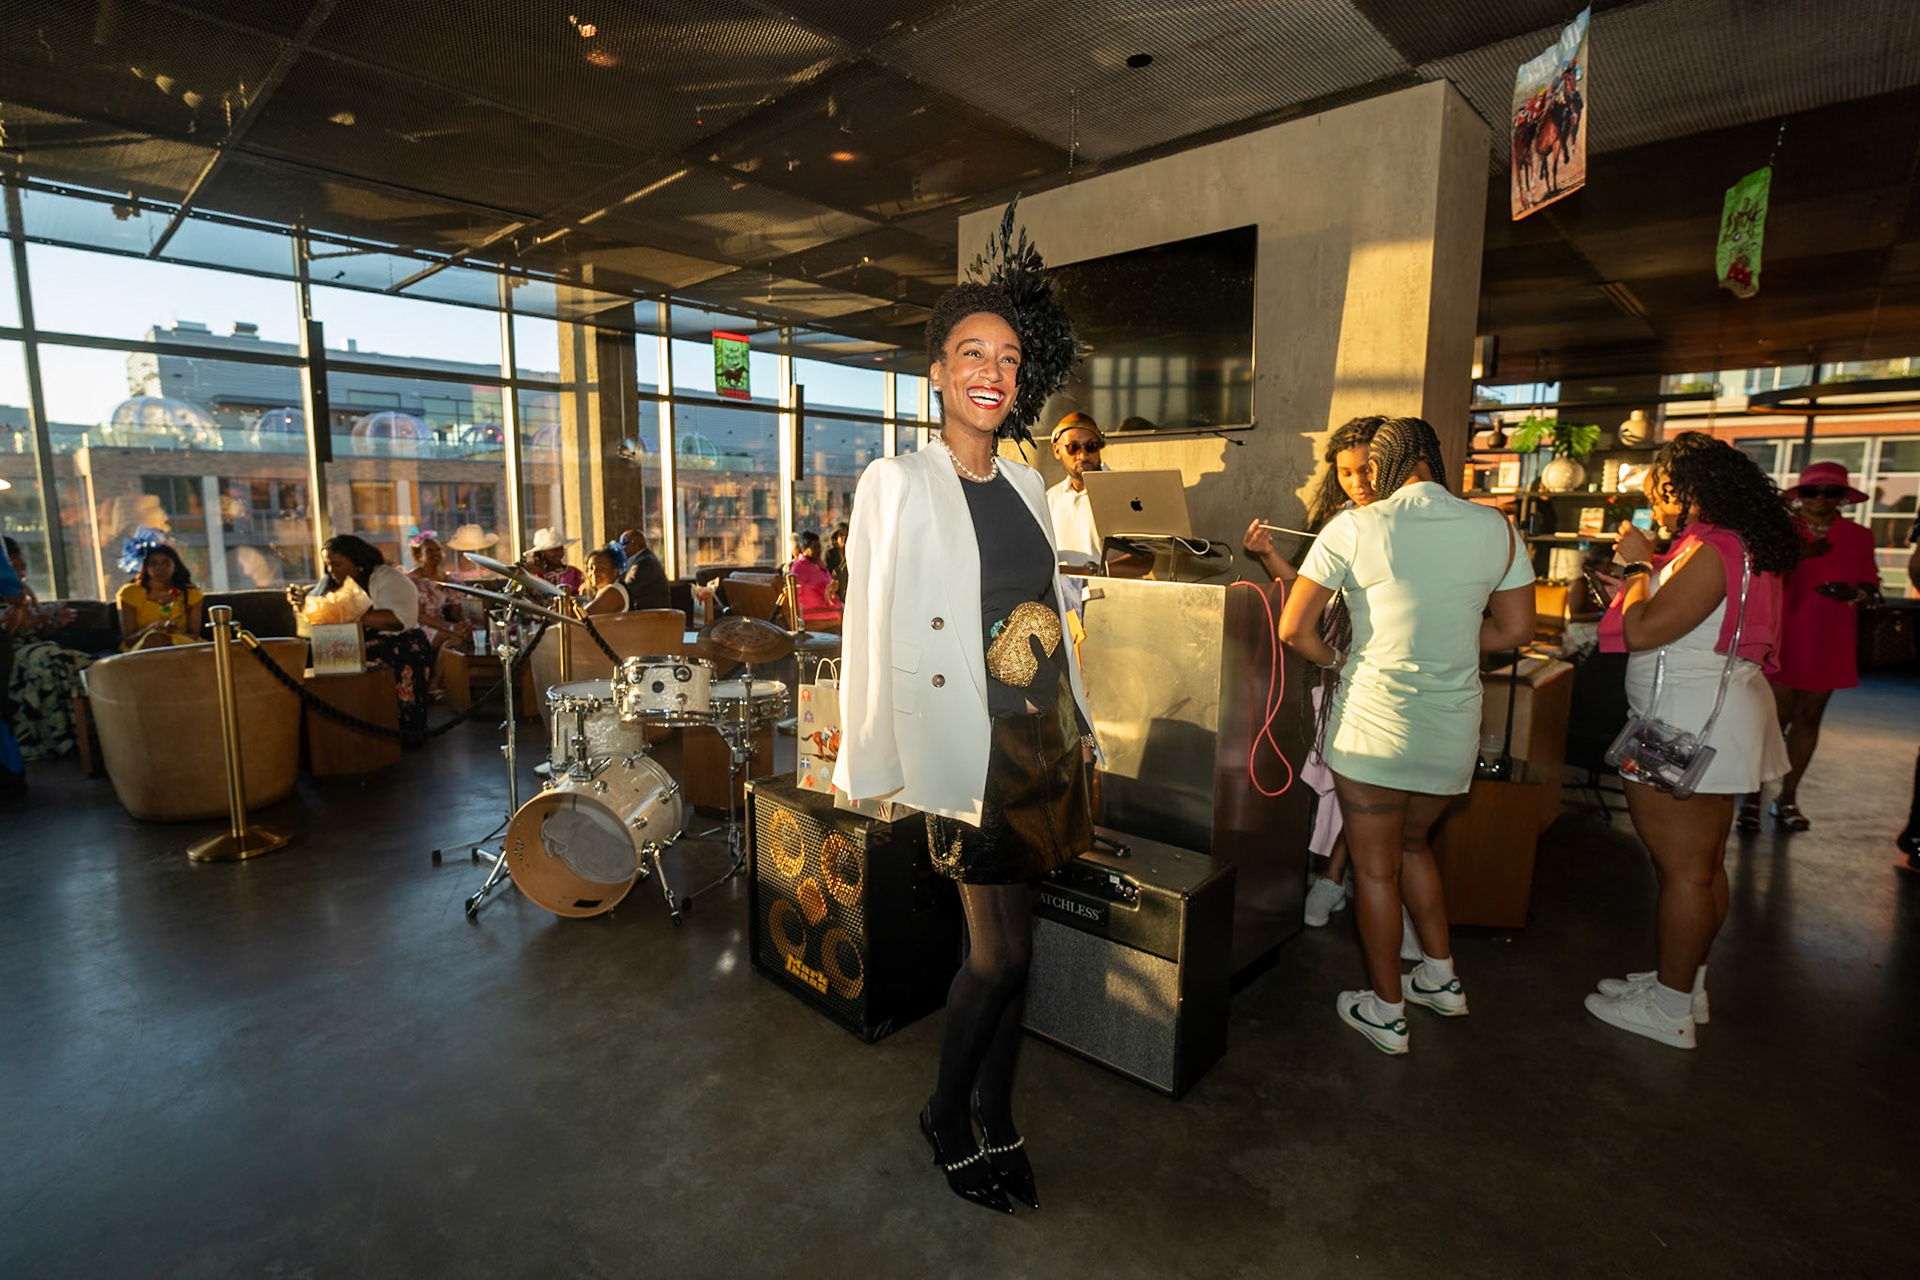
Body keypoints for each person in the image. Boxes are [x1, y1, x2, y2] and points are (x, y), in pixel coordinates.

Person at [836, 270, 1097, 1215]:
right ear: (939, 373)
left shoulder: (1027, 481)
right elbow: (868, 623)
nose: (994, 371)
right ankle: (946, 1114)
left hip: (1042, 741)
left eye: (1009, 358)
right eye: (973, 354)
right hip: (966, 748)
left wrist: (1080, 719)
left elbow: (1048, 608)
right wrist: (869, 758)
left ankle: (998, 1111)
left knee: (1020, 951)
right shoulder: (898, 481)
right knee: (997, 957)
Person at [1277, 416, 1536, 1055]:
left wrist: (1341, 660)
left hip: (1374, 728)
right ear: (1433, 459)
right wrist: (1447, 645)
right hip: (1452, 731)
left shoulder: (1355, 526)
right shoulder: (1497, 528)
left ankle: (1387, 1012)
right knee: (1416, 847)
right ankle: (1442, 980)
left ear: (1385, 465)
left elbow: (1294, 629)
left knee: (1374, 871)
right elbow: (1514, 630)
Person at [1586, 432, 1798, 1050]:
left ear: (1688, 489)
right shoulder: (1732, 543)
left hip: (1683, 723)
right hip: (1709, 715)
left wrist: (1635, 566)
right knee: (1699, 867)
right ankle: (1684, 984)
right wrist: (1640, 582)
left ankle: (1670, 1009)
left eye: (1661, 492)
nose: (1657, 504)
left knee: (1682, 871)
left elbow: (1646, 630)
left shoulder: (1713, 548)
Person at [1243, 414, 1384, 928]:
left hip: (1386, 666)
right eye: (1345, 473)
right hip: (1336, 663)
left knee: (1365, 783)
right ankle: (1332, 879)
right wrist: (1267, 554)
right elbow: (1307, 594)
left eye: (1366, 470)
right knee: (1337, 778)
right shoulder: (1338, 520)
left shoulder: (1403, 522)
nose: (1357, 482)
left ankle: (1339, 880)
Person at [1737, 462, 1879, 831]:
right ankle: (1751, 798)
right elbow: (1753, 575)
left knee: (1809, 718)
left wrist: (1855, 592)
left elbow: (1871, 584)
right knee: (1772, 720)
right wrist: (1797, 556)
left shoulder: (1859, 536)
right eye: (1812, 491)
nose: (1821, 499)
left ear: (1843, 497)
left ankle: (1788, 798)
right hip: (1785, 634)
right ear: (1799, 495)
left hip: (1831, 635)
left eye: (1831, 492)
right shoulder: (1783, 531)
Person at [296, 535, 433, 736]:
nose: (331, 570)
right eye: (328, 565)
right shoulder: (331, 582)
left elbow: (398, 620)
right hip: (348, 643)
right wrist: (303, 604)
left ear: (357, 562)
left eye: (337, 564)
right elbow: (315, 613)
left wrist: (347, 612)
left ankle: (393, 733)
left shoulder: (388, 577)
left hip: (396, 642)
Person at [3, 537, 92, 761]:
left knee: (58, 656)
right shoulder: (12, 594)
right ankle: (56, 738)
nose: (20, 573)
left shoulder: (25, 591)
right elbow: (9, 631)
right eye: (13, 567)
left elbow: (42, 632)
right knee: (46, 658)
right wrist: (22, 619)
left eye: (22, 567)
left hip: (36, 647)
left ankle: (83, 735)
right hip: (10, 653)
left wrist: (54, 622)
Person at [1044, 412, 1105, 570]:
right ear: (1057, 451)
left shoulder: (1122, 492)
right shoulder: (1050, 498)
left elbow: (1142, 561)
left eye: (1091, 446)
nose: (1083, 455)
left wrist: (1087, 572)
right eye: (1073, 447)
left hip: (1107, 587)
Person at [117, 541, 203, 651]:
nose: (160, 568)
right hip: (143, 647)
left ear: (175, 566)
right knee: (155, 639)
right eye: (153, 564)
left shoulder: (191, 593)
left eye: (166, 563)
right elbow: (129, 640)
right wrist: (150, 629)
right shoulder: (129, 593)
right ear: (145, 567)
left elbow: (194, 636)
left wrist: (174, 631)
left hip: (181, 644)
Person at [406, 532, 474, 658]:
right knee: (454, 640)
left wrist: (464, 625)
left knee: (468, 636)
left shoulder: (450, 579)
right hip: (421, 626)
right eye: (429, 551)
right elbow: (420, 616)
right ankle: (437, 671)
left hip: (443, 625)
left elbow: (455, 611)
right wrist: (450, 628)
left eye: (438, 550)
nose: (435, 554)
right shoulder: (413, 581)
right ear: (418, 555)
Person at [788, 531, 842, 629]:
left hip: (826, 607)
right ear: (804, 549)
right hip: (812, 613)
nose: (818, 551)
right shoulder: (799, 567)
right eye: (814, 547)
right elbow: (803, 593)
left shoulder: (818, 565)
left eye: (819, 547)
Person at [615, 529, 671, 611]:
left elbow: (625, 590)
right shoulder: (643, 559)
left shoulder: (644, 563)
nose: (622, 550)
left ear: (634, 544)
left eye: (623, 544)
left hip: (650, 615)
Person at [522, 527, 583, 593]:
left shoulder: (573, 573)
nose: (560, 553)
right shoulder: (531, 573)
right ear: (542, 553)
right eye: (555, 550)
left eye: (561, 549)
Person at [581, 549, 629, 617]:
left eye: (600, 567)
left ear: (615, 571)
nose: (594, 572)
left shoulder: (614, 592)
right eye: (591, 568)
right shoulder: (602, 591)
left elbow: (583, 617)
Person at [826, 524, 850, 602]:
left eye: (846, 535)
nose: (844, 537)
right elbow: (827, 572)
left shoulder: (852, 553)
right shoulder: (830, 554)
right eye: (841, 535)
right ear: (836, 538)